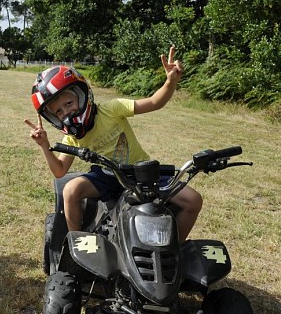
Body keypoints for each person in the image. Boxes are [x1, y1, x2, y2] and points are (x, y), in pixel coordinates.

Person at [24, 45, 202, 244]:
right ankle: (78, 245)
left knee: (193, 201)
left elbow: (154, 102)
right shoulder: (73, 136)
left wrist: (170, 82)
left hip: (140, 171)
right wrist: (44, 145)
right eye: (58, 112)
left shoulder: (113, 109)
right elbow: (59, 171)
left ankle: (172, 248)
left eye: (68, 104)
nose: (65, 113)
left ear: (83, 95)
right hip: (106, 175)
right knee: (70, 190)